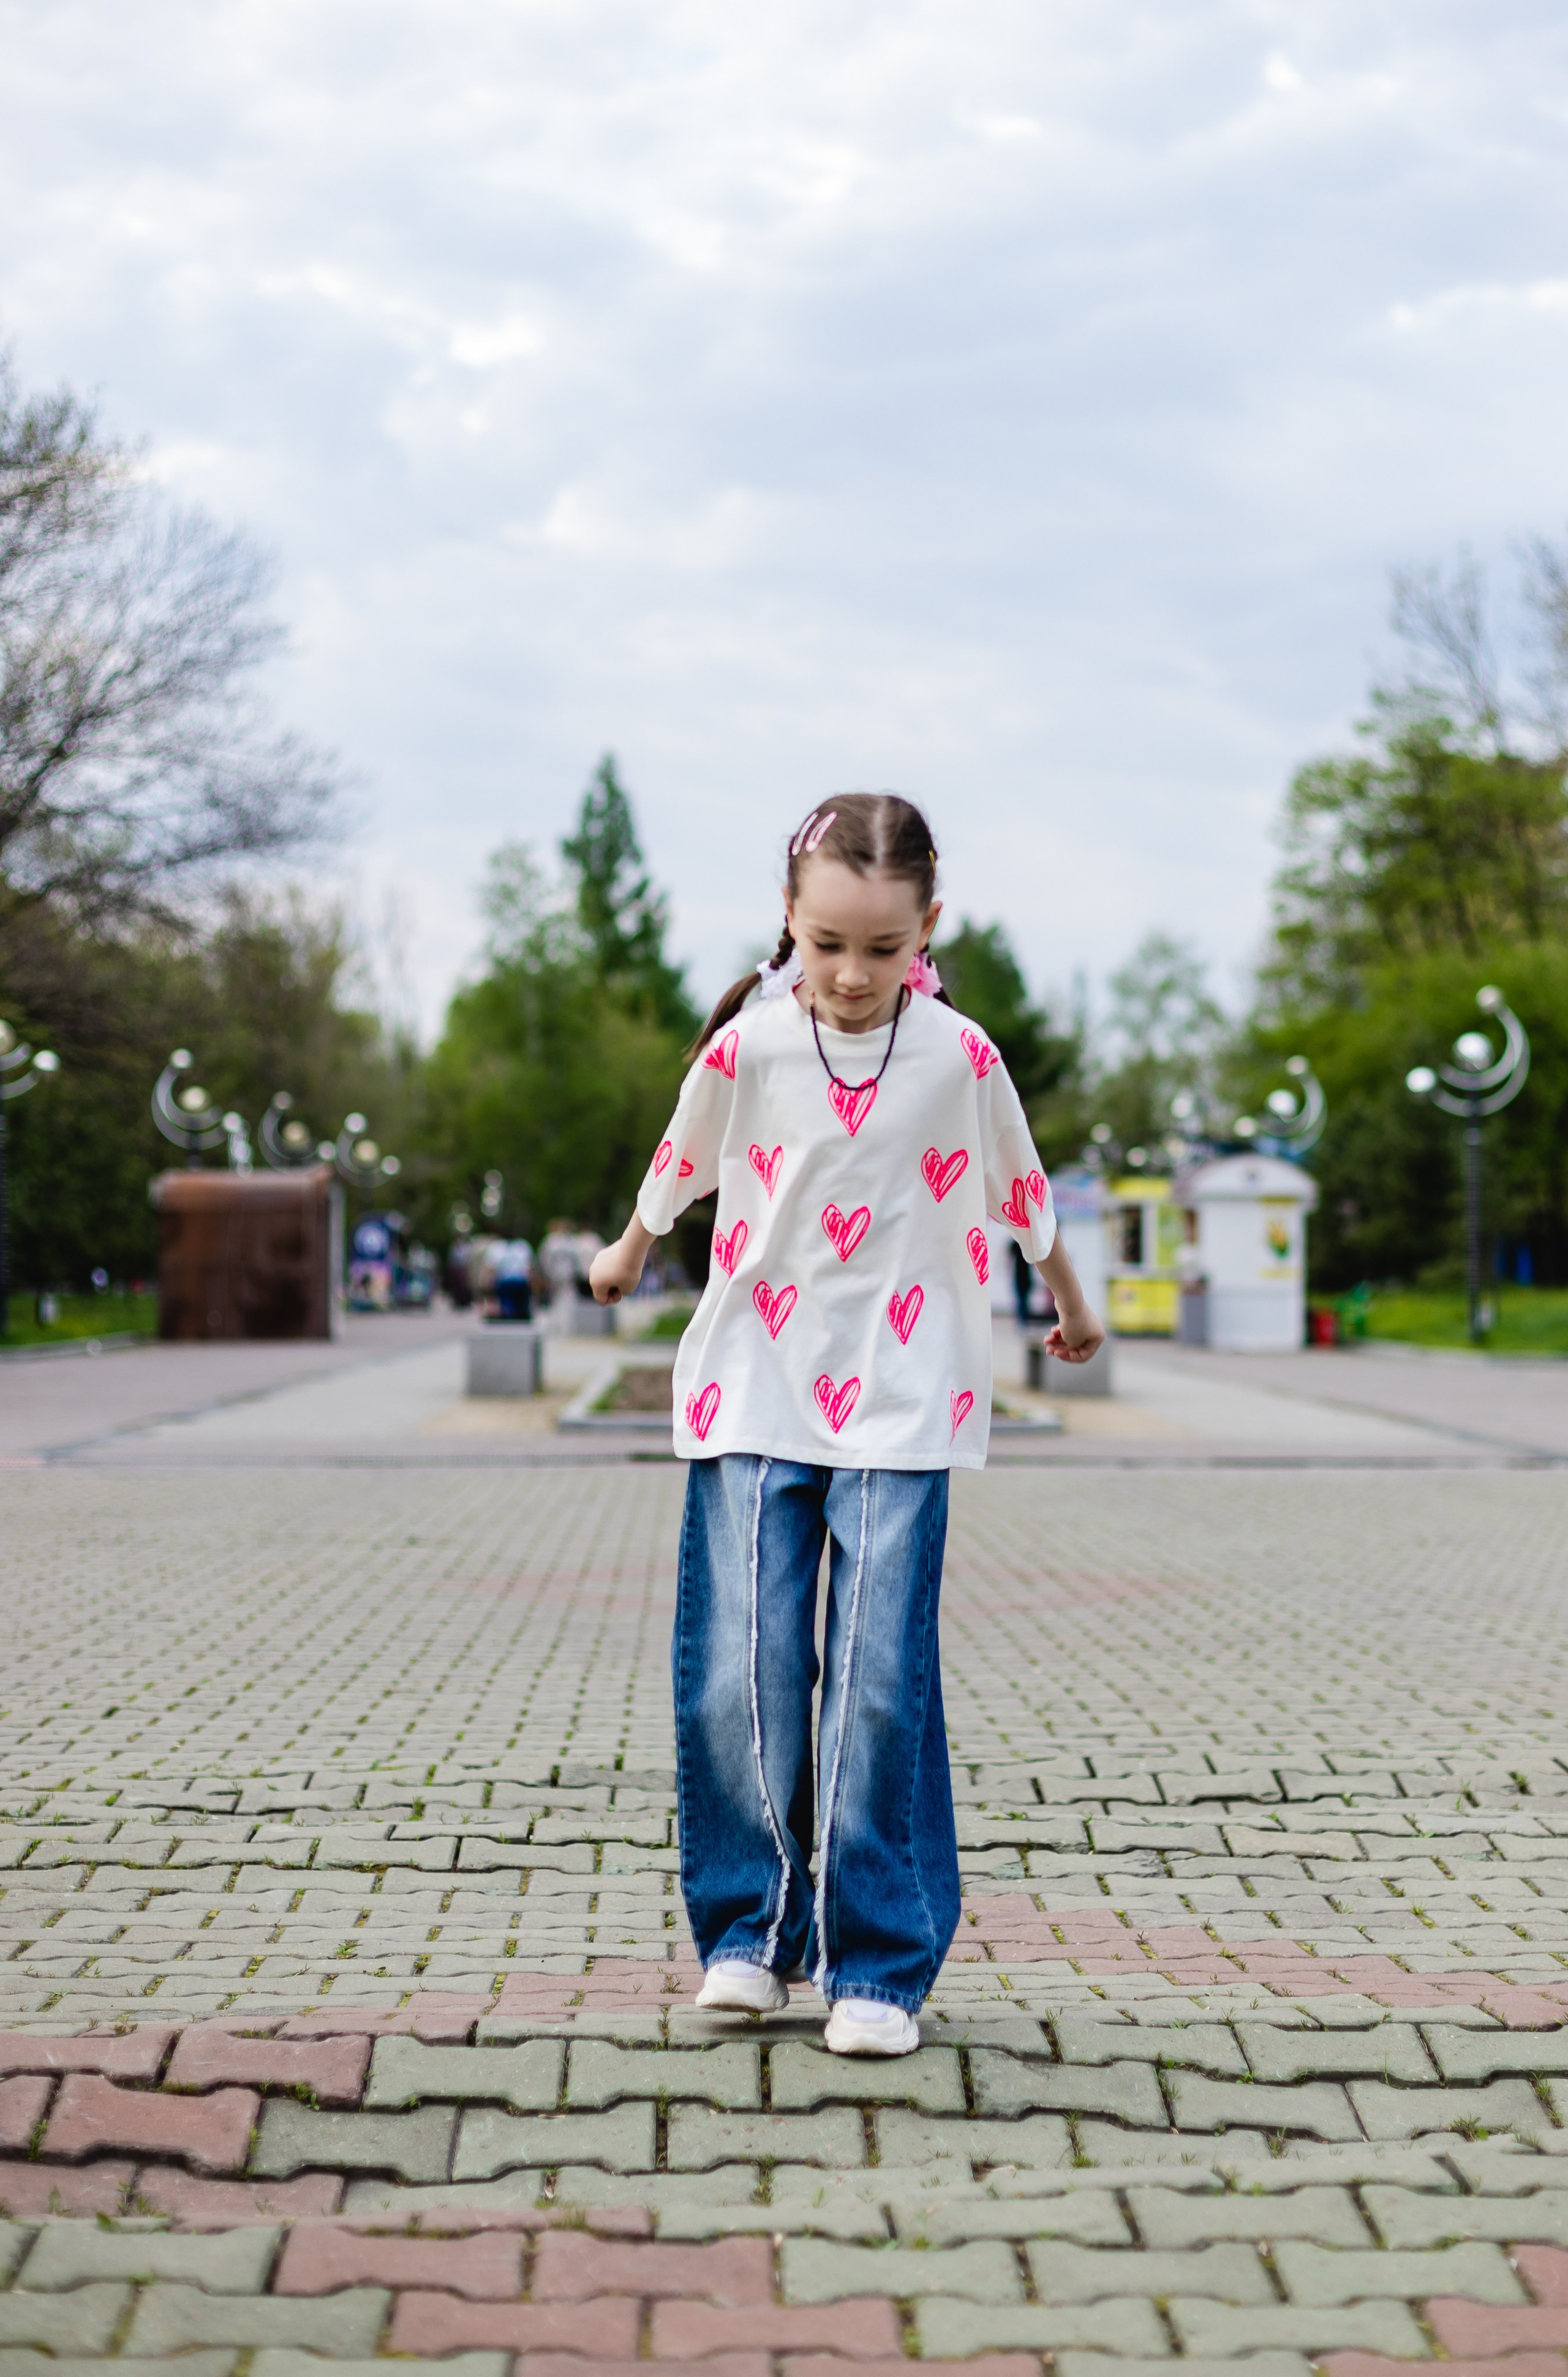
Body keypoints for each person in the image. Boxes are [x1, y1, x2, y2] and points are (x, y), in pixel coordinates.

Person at [589, 794, 1103, 2057]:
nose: (851, 975)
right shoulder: (750, 1047)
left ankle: (874, 1959)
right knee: (743, 1671)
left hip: (903, 1398)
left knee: (875, 1681)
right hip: (749, 1386)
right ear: (788, 919)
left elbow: (1023, 1188)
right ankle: (748, 1936)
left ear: (927, 927)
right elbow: (677, 1160)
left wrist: (1073, 1308)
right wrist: (626, 1249)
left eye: (881, 949)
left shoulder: (959, 1056)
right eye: (825, 944)